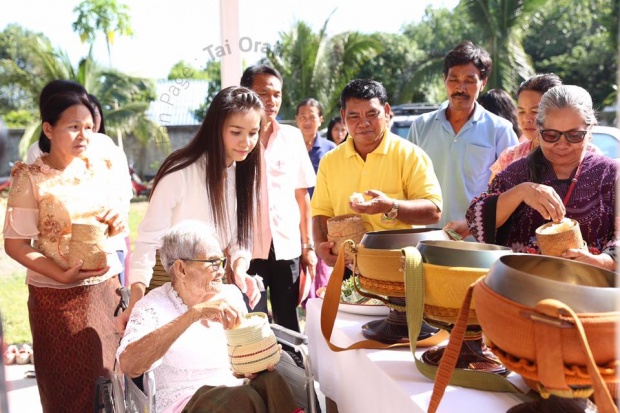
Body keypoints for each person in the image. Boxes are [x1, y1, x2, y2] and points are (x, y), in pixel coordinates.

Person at [3, 89, 127, 412]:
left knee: (109, 387)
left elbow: (117, 223)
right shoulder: (30, 178)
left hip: (106, 293)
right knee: (67, 393)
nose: (83, 135)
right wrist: (59, 273)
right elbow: (15, 245)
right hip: (55, 304)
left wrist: (116, 220)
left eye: (88, 127)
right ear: (48, 129)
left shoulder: (101, 168)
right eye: (73, 127)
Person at [119, 86, 264, 331]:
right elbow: (148, 239)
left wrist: (239, 267)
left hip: (212, 284)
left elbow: (240, 235)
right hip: (171, 284)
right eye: (236, 132)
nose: (246, 142)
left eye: (253, 132)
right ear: (216, 129)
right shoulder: (181, 171)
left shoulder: (242, 173)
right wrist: (136, 298)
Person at [118, 220, 300, 413]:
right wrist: (194, 314)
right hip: (186, 401)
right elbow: (129, 365)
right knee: (240, 398)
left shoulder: (230, 295)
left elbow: (243, 360)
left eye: (222, 262)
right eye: (212, 263)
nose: (221, 271)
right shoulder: (153, 306)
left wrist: (257, 360)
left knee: (271, 379)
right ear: (181, 269)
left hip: (237, 392)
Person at [466, 85, 616, 270]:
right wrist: (521, 192)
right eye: (551, 135)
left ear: (590, 129)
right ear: (539, 129)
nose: (562, 144)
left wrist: (603, 261)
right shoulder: (518, 173)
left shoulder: (610, 174)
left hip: (589, 289)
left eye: (574, 136)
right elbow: (475, 217)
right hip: (522, 287)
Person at [312, 79, 443, 267]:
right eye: (354, 116)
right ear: (343, 116)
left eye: (372, 114)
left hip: (400, 266)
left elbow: (433, 211)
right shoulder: (330, 161)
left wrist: (391, 206)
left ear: (387, 111)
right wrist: (320, 245)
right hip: (349, 267)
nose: (364, 123)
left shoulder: (410, 155)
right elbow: (321, 213)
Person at [407, 41, 518, 238]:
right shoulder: (421, 126)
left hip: (477, 244)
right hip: (426, 241)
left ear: (483, 83)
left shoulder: (500, 130)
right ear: (444, 80)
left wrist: (475, 224)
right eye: (454, 79)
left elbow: (512, 191)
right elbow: (407, 183)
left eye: (470, 80)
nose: (461, 87)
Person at [240, 65, 317, 332]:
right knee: (252, 323)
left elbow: (302, 195)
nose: (271, 101)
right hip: (248, 248)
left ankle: (293, 372)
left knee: (289, 323)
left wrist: (308, 246)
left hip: (287, 247)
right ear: (245, 93)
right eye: (263, 93)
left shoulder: (292, 137)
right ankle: (258, 373)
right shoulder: (235, 139)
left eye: (277, 94)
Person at [488, 74, 603, 182]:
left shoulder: (591, 156)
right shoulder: (510, 157)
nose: (527, 118)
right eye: (521, 111)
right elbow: (489, 200)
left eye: (535, 111)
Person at [295, 98, 335, 304]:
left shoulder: (331, 149)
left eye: (312, 116)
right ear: (296, 120)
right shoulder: (290, 147)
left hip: (322, 217)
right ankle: (306, 305)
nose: (307, 121)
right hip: (296, 218)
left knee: (323, 266)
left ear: (321, 119)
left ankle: (322, 305)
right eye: (302, 117)